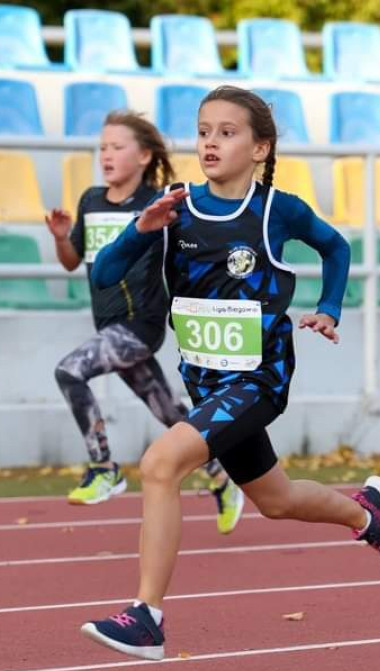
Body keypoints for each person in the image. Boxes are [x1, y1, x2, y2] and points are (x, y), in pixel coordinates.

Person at [80, 87, 380, 660]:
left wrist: (330, 307)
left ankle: (147, 616)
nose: (211, 142)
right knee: (276, 499)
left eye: (227, 132)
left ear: (260, 148)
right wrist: (141, 228)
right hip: (204, 382)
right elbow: (104, 275)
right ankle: (367, 514)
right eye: (204, 130)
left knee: (160, 464)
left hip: (259, 380)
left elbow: (335, 248)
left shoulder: (276, 210)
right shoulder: (173, 207)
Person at [48, 110, 245, 534]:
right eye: (102, 147)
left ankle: (103, 469)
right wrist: (63, 237)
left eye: (117, 147)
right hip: (109, 326)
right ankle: (222, 479)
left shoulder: (157, 204)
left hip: (142, 324)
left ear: (143, 156)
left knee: (69, 371)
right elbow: (71, 263)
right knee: (171, 413)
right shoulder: (91, 201)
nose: (106, 155)